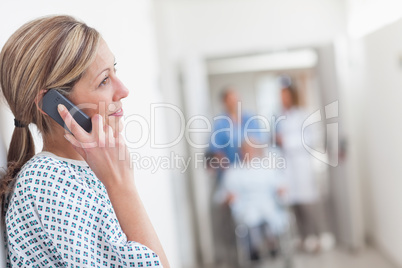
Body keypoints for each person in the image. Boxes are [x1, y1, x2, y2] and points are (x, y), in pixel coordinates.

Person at [0, 15, 169, 267]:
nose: (123, 90)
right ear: (53, 105)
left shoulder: (86, 171)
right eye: (103, 80)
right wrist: (122, 185)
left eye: (115, 70)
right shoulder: (46, 181)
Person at [276, 82, 333, 253]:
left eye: (285, 95)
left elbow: (310, 139)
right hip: (287, 168)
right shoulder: (279, 117)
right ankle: (303, 238)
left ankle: (317, 237)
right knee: (295, 206)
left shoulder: (303, 115)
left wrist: (285, 141)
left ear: (292, 95)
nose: (282, 98)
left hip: (302, 166)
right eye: (280, 95)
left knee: (308, 205)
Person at [216, 141, 288, 260]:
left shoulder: (267, 168)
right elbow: (223, 195)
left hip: (268, 205)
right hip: (246, 206)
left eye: (251, 149)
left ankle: (272, 244)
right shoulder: (233, 172)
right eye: (245, 149)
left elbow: (280, 185)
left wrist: (281, 190)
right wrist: (229, 198)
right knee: (251, 219)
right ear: (240, 152)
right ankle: (255, 249)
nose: (248, 152)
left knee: (269, 218)